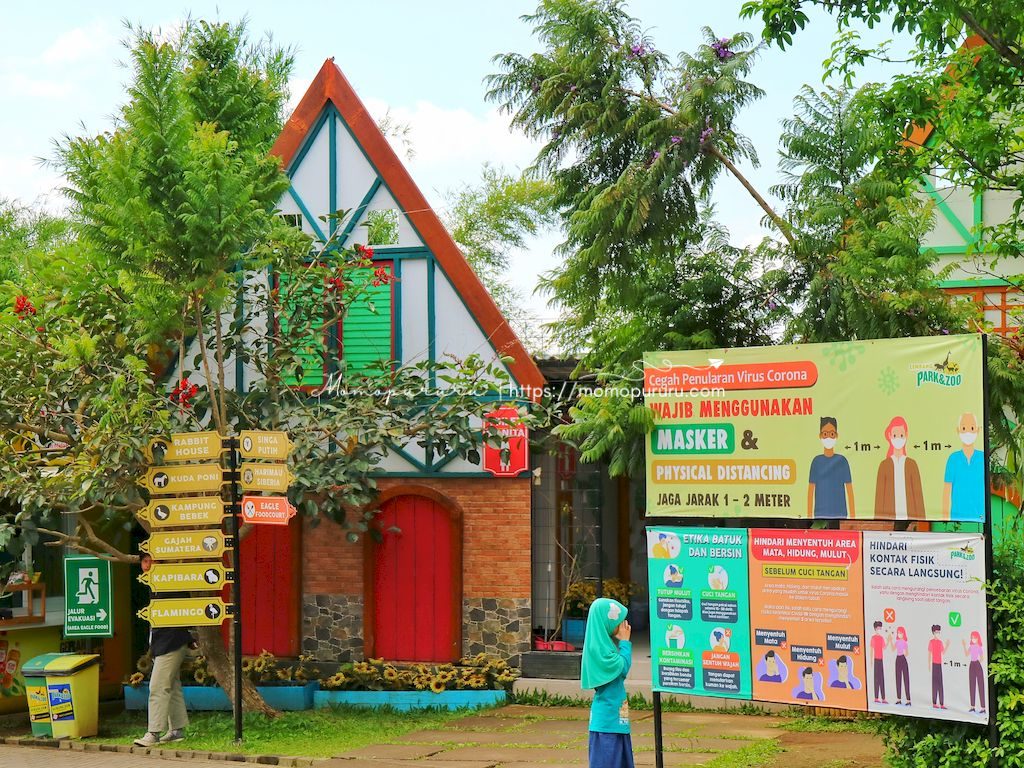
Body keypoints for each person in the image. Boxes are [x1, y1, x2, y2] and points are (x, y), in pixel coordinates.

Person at [134, 554, 197, 747]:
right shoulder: (155, 585)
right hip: (163, 644)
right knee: (172, 685)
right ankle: (177, 730)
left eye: (151, 561)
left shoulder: (169, 584)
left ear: (160, 562)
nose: (147, 566)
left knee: (158, 686)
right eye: (144, 561)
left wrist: (189, 638)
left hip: (171, 643)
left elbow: (184, 612)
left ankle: (153, 732)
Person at [581, 597, 634, 768]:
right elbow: (622, 668)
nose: (623, 624)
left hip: (615, 720)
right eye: (619, 620)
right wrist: (625, 642)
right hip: (607, 723)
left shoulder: (605, 646)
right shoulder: (600, 650)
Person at [874, 416, 925, 519]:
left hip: (909, 518)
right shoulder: (884, 465)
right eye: (895, 435)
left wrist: (921, 518)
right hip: (889, 519)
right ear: (889, 436)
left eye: (901, 435)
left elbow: (918, 498)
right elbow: (879, 499)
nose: (898, 439)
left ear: (906, 435)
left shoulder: (911, 464)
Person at [808, 417, 855, 519]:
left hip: (841, 514)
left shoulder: (842, 461)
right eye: (825, 434)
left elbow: (849, 491)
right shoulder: (816, 461)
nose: (828, 437)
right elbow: (810, 491)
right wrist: (808, 516)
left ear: (836, 435)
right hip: (819, 515)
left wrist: (853, 517)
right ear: (820, 436)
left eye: (832, 434)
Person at [942, 413, 985, 521]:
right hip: (956, 518)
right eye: (964, 428)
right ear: (958, 430)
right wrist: (944, 517)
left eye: (971, 428)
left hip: (979, 516)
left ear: (978, 430)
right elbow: (947, 491)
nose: (968, 433)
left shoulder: (982, 458)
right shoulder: (953, 459)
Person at [963, 631, 986, 714]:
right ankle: (972, 706)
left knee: (980, 685)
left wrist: (978, 662)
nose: (973, 639)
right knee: (972, 684)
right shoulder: (971, 646)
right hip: (971, 664)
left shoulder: (979, 647)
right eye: (972, 638)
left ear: (978, 638)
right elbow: (966, 654)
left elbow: (982, 657)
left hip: (977, 664)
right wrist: (964, 645)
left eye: (975, 638)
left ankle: (983, 707)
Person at [928, 624, 950, 710]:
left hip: (939, 664)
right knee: (935, 683)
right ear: (933, 632)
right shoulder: (931, 642)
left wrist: (947, 645)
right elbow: (929, 654)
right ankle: (934, 703)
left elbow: (943, 652)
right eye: (936, 632)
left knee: (940, 683)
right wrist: (929, 664)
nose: (938, 633)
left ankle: (942, 703)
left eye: (939, 632)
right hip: (934, 664)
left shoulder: (940, 642)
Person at [891, 626, 911, 706]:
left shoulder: (904, 642)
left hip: (903, 658)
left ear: (903, 634)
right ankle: (898, 699)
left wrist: (903, 654)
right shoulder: (897, 642)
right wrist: (890, 641)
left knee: (906, 679)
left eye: (901, 633)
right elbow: (893, 649)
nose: (899, 634)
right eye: (898, 633)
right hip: (898, 659)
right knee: (898, 678)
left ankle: (908, 700)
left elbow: (907, 652)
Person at [870, 621, 888, 704]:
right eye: (878, 628)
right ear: (875, 629)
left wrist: (889, 640)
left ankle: (883, 698)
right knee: (876, 678)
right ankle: (876, 697)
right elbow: (871, 650)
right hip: (875, 659)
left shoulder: (881, 638)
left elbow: (884, 648)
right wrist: (870, 661)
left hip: (881, 660)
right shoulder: (873, 638)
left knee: (882, 678)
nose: (879, 630)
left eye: (880, 628)